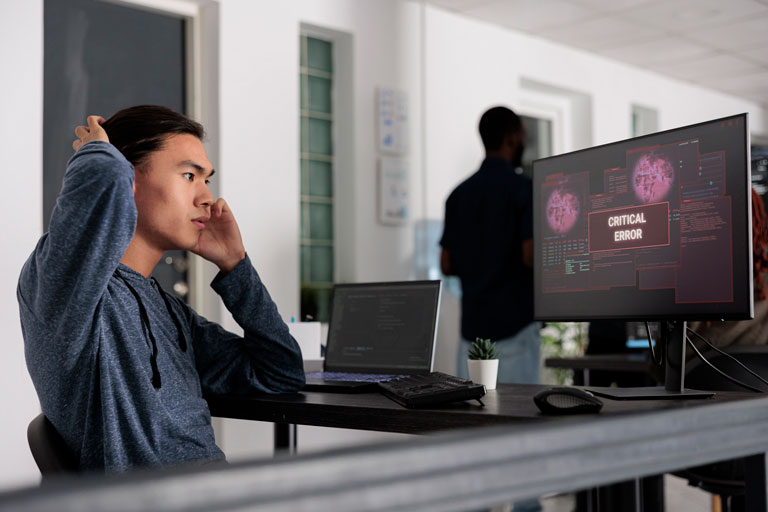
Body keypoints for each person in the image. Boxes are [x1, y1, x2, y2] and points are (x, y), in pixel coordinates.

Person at [17, 106, 305, 474]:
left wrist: (236, 266)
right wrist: (99, 154)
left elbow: (281, 373)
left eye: (207, 180)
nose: (207, 198)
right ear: (128, 180)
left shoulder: (168, 311)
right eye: (189, 175)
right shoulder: (63, 290)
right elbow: (104, 179)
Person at [440, 105, 539, 385]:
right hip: (514, 333)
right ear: (511, 137)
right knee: (521, 426)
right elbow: (530, 256)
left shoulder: (457, 195)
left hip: (470, 338)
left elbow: (446, 264)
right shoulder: (525, 189)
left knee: (473, 423)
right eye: (522, 135)